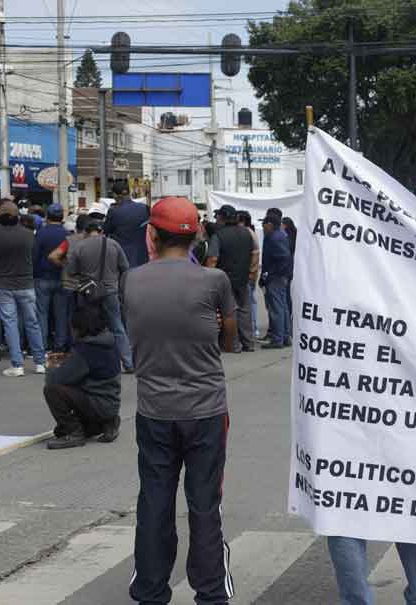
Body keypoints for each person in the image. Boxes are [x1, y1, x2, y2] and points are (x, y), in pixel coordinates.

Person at [124, 196, 237, 605]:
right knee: (205, 503)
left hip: (154, 411)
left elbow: (135, 332)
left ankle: (151, 590)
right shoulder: (215, 281)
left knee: (154, 500)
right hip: (206, 411)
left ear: (152, 234)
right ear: (198, 237)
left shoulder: (132, 280)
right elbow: (228, 336)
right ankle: (210, 593)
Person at [42, 302, 122, 449]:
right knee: (59, 431)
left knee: (52, 389)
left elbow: (55, 379)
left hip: (97, 403)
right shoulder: (108, 341)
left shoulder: (86, 350)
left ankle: (74, 434)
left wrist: (52, 364)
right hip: (111, 403)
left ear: (79, 328)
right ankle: (107, 422)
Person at [64, 210, 134, 373]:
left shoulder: (80, 246)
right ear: (101, 231)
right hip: (110, 291)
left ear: (86, 232)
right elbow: (125, 268)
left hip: (88, 291)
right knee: (117, 327)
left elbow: (71, 271)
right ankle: (128, 363)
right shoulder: (114, 244)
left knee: (87, 327)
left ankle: (87, 363)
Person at [0, 201, 46, 377]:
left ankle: (17, 364)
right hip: (26, 283)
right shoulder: (28, 235)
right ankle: (40, 362)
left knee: (10, 324)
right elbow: (33, 256)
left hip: (2, 284)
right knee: (32, 322)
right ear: (17, 216)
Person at [205, 205, 258, 353]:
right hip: (243, 278)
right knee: (245, 311)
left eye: (218, 217)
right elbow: (254, 254)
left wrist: (208, 278)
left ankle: (234, 345)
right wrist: (251, 273)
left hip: (225, 280)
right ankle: (248, 343)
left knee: (229, 312)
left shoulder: (218, 235)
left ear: (222, 218)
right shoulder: (247, 233)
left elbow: (212, 259)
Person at [34, 204, 70, 353]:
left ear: (47, 216)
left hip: (42, 277)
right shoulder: (67, 233)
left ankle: (41, 344)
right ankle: (60, 344)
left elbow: (35, 255)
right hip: (62, 277)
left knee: (41, 313)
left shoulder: (41, 233)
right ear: (62, 217)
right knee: (61, 313)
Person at [260, 215, 293, 348]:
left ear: (270, 224)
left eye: (264, 224)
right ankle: (285, 336)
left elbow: (284, 257)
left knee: (276, 308)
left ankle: (278, 339)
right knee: (283, 306)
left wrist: (272, 273)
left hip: (276, 277)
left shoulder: (274, 237)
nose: (262, 226)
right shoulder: (280, 235)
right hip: (281, 276)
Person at [104, 183, 150, 269]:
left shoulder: (114, 211)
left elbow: (106, 230)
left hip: (123, 257)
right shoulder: (144, 208)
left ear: (115, 195)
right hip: (142, 255)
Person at [237, 211, 262, 340]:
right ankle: (252, 328)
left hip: (248, 275)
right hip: (250, 274)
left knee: (249, 303)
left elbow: (255, 255)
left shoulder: (248, 234)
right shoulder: (249, 233)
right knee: (250, 302)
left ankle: (252, 328)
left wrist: (251, 273)